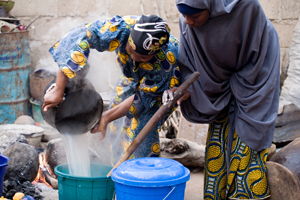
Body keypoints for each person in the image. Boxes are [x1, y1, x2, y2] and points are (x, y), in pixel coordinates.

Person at [163, 0, 280, 199]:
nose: (189, 21)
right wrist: (190, 89)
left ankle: (244, 194)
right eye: (184, 16)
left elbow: (260, 45)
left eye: (195, 16)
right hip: (217, 86)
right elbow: (190, 65)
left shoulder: (245, 7)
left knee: (249, 140)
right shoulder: (188, 25)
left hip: (255, 78)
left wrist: (239, 85)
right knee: (218, 142)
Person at [42, 15, 180, 162]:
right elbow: (80, 36)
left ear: (154, 53)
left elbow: (142, 100)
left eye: (142, 57)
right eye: (130, 51)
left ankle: (142, 177)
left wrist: (106, 116)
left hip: (160, 87)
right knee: (118, 126)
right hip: (131, 77)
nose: (133, 58)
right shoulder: (121, 29)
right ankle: (119, 173)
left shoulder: (166, 62)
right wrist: (59, 88)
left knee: (141, 129)